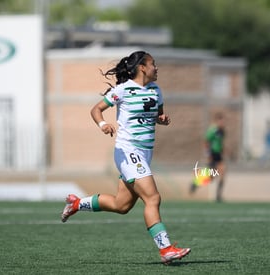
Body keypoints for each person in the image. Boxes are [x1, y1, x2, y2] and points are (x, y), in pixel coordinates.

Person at [60, 51, 190, 264]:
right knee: (153, 198)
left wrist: (162, 119)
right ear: (142, 68)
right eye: (153, 64)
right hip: (128, 151)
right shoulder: (123, 90)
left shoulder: (156, 90)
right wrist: (103, 124)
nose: (156, 68)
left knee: (122, 206)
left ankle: (76, 204)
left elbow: (156, 115)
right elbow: (96, 110)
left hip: (145, 154)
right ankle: (166, 249)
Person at [189, 112, 226, 202]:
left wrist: (223, 151)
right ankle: (196, 182)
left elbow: (220, 143)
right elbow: (206, 141)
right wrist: (208, 154)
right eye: (221, 121)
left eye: (223, 121)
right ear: (217, 121)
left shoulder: (222, 131)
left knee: (222, 172)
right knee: (211, 176)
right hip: (212, 154)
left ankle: (218, 196)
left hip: (218, 155)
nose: (222, 123)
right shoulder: (212, 130)